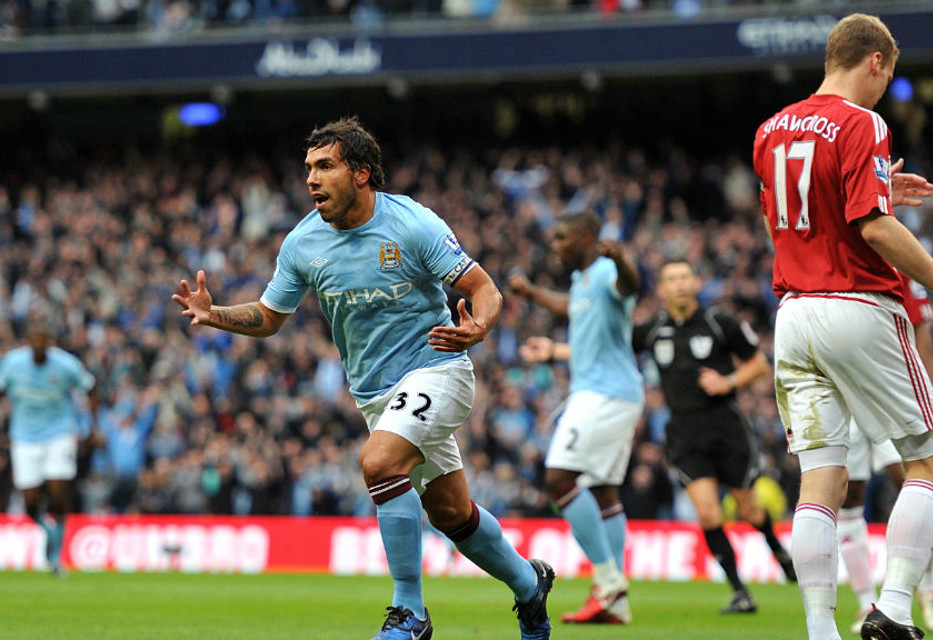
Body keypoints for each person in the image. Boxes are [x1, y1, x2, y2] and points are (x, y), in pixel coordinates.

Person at [172, 116, 555, 640]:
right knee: (451, 514)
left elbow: (484, 288)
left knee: (378, 462)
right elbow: (269, 316)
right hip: (375, 395)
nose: (311, 178)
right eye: (309, 167)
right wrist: (214, 314)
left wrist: (479, 326)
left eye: (325, 166)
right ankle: (530, 585)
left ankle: (410, 612)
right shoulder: (303, 243)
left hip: (437, 368)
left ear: (361, 173)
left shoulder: (412, 224)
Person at [751, 13, 933, 640]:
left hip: (794, 314)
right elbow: (874, 228)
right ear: (876, 61)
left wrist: (880, 188)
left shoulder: (770, 130)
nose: (886, 88)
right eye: (889, 76)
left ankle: (821, 631)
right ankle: (892, 611)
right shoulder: (863, 122)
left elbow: (788, 219)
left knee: (821, 482)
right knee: (928, 465)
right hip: (856, 307)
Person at [630, 258, 797, 614]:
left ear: (697, 283)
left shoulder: (719, 322)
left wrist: (728, 381)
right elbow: (607, 349)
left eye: (684, 277)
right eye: (671, 278)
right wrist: (556, 350)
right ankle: (739, 591)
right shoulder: (652, 330)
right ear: (661, 289)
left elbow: (759, 363)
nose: (679, 284)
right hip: (684, 434)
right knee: (708, 513)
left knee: (749, 509)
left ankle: (778, 549)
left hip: (727, 429)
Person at [509, 211, 644, 625]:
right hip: (613, 393)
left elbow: (630, 287)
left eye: (562, 238)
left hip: (604, 394)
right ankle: (614, 603)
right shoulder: (582, 280)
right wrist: (532, 294)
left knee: (558, 477)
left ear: (586, 238)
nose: (555, 245)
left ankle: (607, 579)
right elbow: (573, 308)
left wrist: (621, 260)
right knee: (603, 491)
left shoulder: (606, 272)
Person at [843, 273, 933, 635]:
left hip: (890, 390)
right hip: (846, 393)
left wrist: (928, 393)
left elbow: (920, 328)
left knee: (913, 478)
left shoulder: (895, 260)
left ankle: (928, 587)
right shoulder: (835, 254)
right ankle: (866, 602)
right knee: (848, 496)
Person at [0, 323, 99, 575]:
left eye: (43, 342)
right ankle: (48, 532)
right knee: (30, 500)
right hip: (24, 436)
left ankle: (56, 555)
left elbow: (91, 388)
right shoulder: (13, 363)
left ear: (50, 343)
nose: (38, 347)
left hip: (59, 433)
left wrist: (91, 425)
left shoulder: (66, 364)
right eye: (34, 342)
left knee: (58, 493)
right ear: (28, 343)